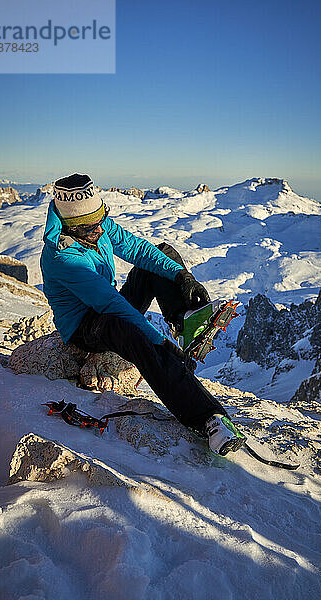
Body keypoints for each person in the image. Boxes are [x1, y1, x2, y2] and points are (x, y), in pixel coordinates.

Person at [40, 173, 246, 455]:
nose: (100, 230)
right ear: (70, 226)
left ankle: (184, 323)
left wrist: (181, 276)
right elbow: (112, 305)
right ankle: (209, 419)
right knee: (131, 334)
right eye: (91, 228)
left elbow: (139, 250)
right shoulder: (62, 257)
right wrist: (160, 343)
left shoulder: (95, 224)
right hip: (85, 327)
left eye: (102, 220)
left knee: (163, 254)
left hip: (107, 306)